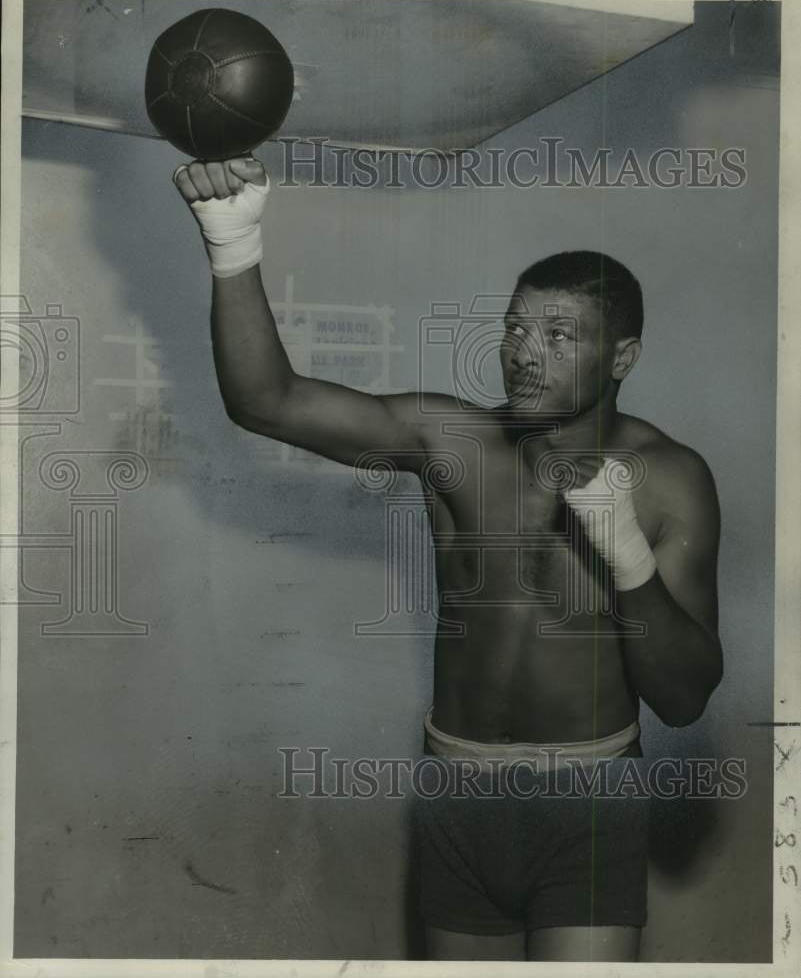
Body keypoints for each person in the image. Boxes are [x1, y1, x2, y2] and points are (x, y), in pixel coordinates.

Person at [173, 156, 724, 962]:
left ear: (623, 356)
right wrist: (234, 242)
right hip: (456, 790)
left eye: (559, 335)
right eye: (513, 330)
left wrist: (628, 561)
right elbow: (266, 401)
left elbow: (683, 699)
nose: (524, 355)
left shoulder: (671, 480)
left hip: (590, 798)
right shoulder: (454, 441)